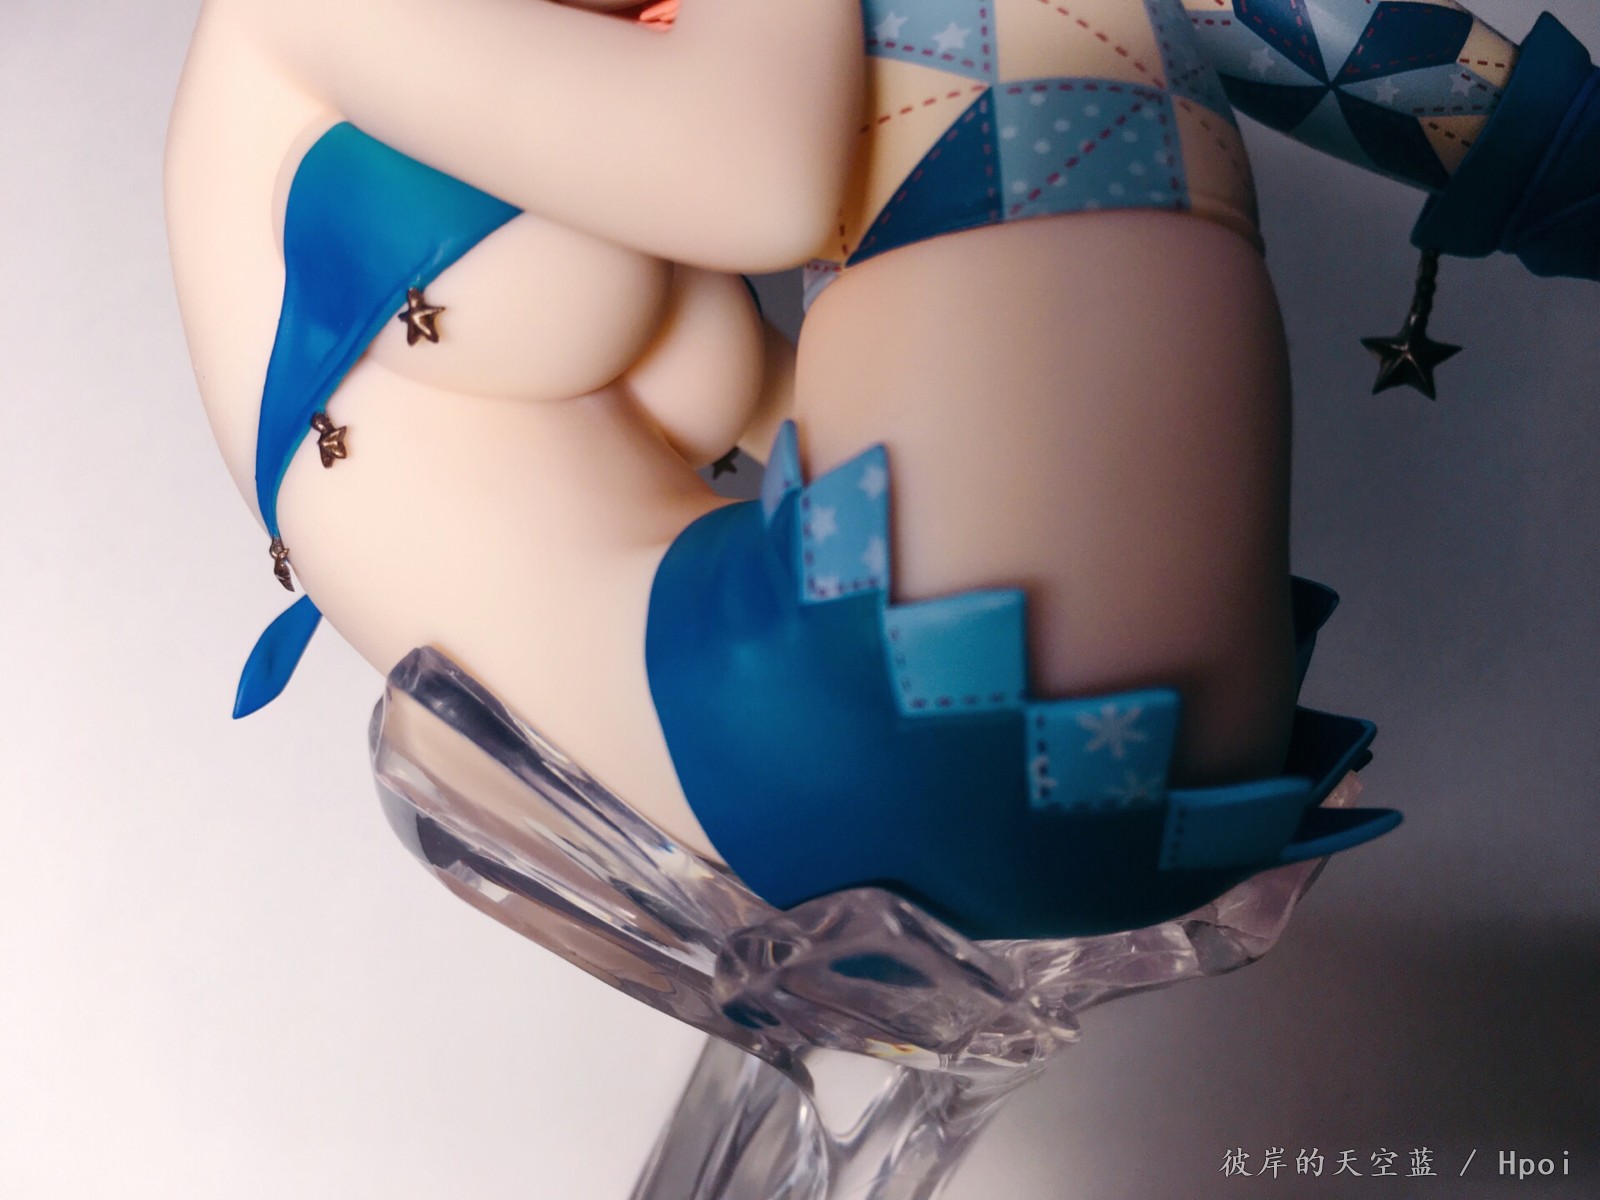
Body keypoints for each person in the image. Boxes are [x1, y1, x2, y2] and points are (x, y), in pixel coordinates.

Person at [168, 0, 1598, 937]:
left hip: (1014, 725)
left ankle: (1558, 154)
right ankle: (1557, 154)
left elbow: (808, 373)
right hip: (877, 732)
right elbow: (755, 179)